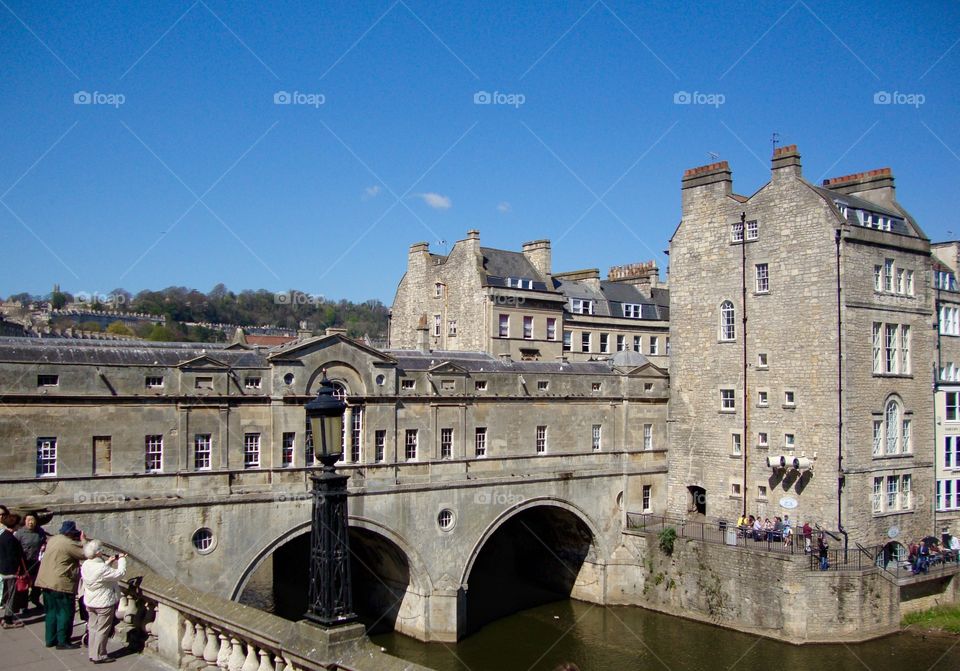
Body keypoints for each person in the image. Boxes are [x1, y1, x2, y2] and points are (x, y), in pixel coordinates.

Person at [35, 520, 85, 649]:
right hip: (61, 584)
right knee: (65, 612)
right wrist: (83, 540)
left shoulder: (53, 539)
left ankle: (50, 640)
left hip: (46, 582)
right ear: (71, 533)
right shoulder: (69, 543)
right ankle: (63, 641)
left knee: (51, 612)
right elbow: (86, 554)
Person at [80, 541, 126, 664]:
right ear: (98, 552)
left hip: (90, 601)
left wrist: (108, 563)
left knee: (93, 628)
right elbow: (120, 574)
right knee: (102, 630)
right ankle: (100, 655)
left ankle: (92, 653)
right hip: (103, 603)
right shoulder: (101, 568)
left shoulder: (85, 564)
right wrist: (121, 560)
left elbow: (97, 574)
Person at [14, 513, 48, 611]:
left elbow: (44, 541)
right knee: (24, 584)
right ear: (24, 521)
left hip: (37, 561)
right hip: (24, 562)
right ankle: (23, 605)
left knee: (37, 583)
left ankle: (35, 599)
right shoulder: (20, 533)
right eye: (28, 520)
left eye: (32, 520)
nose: (30, 522)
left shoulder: (40, 531)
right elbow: (15, 546)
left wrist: (44, 545)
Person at [0, 513, 24, 629]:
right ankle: (8, 619)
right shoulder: (10, 538)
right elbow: (12, 557)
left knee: (6, 595)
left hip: (3, 570)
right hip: (10, 572)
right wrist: (17, 571)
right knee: (11, 596)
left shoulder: (3, 536)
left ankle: (7, 618)